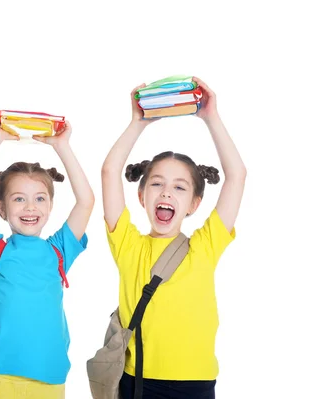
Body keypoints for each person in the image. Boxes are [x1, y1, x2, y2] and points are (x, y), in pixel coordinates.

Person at [101, 77, 247, 399]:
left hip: (196, 384)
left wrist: (211, 117)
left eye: (180, 187)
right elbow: (110, 171)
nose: (167, 191)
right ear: (141, 195)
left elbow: (236, 175)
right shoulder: (128, 244)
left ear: (195, 204)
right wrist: (138, 123)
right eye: (157, 184)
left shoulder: (205, 246)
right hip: (137, 382)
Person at [0, 115, 94, 398]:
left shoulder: (59, 250)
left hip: (50, 377)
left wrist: (62, 146)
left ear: (51, 205)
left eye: (40, 198)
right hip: (1, 377)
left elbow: (86, 201)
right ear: (1, 208)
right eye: (19, 198)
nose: (30, 207)